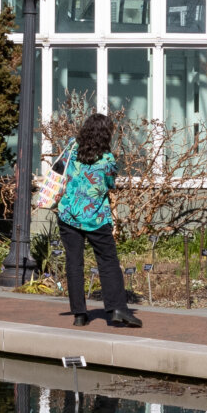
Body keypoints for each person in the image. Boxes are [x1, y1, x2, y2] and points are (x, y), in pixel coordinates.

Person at [45, 111, 140, 328]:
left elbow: (61, 170)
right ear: (106, 135)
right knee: (108, 262)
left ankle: (79, 314)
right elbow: (109, 184)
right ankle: (117, 309)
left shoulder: (71, 148)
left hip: (68, 214)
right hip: (95, 218)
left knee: (74, 263)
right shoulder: (107, 160)